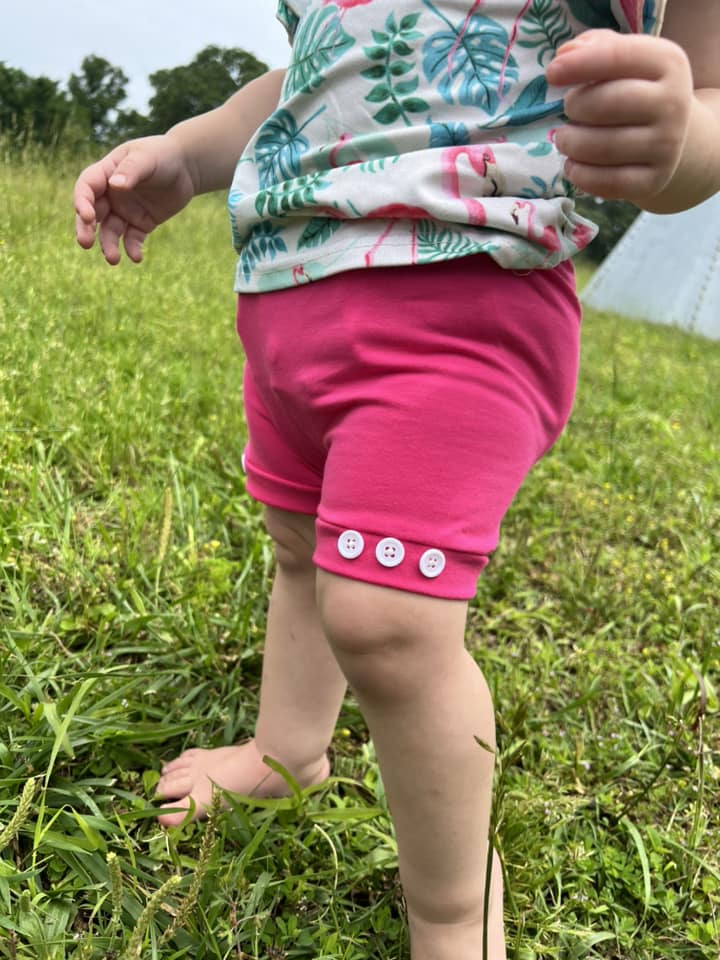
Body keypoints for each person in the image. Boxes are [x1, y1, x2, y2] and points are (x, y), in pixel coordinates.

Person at [74, 2, 720, 957]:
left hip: (465, 301)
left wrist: (681, 138)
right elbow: (304, 80)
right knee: (300, 547)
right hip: (289, 298)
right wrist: (186, 151)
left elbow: (704, 91)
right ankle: (288, 753)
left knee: (387, 620)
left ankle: (457, 917)